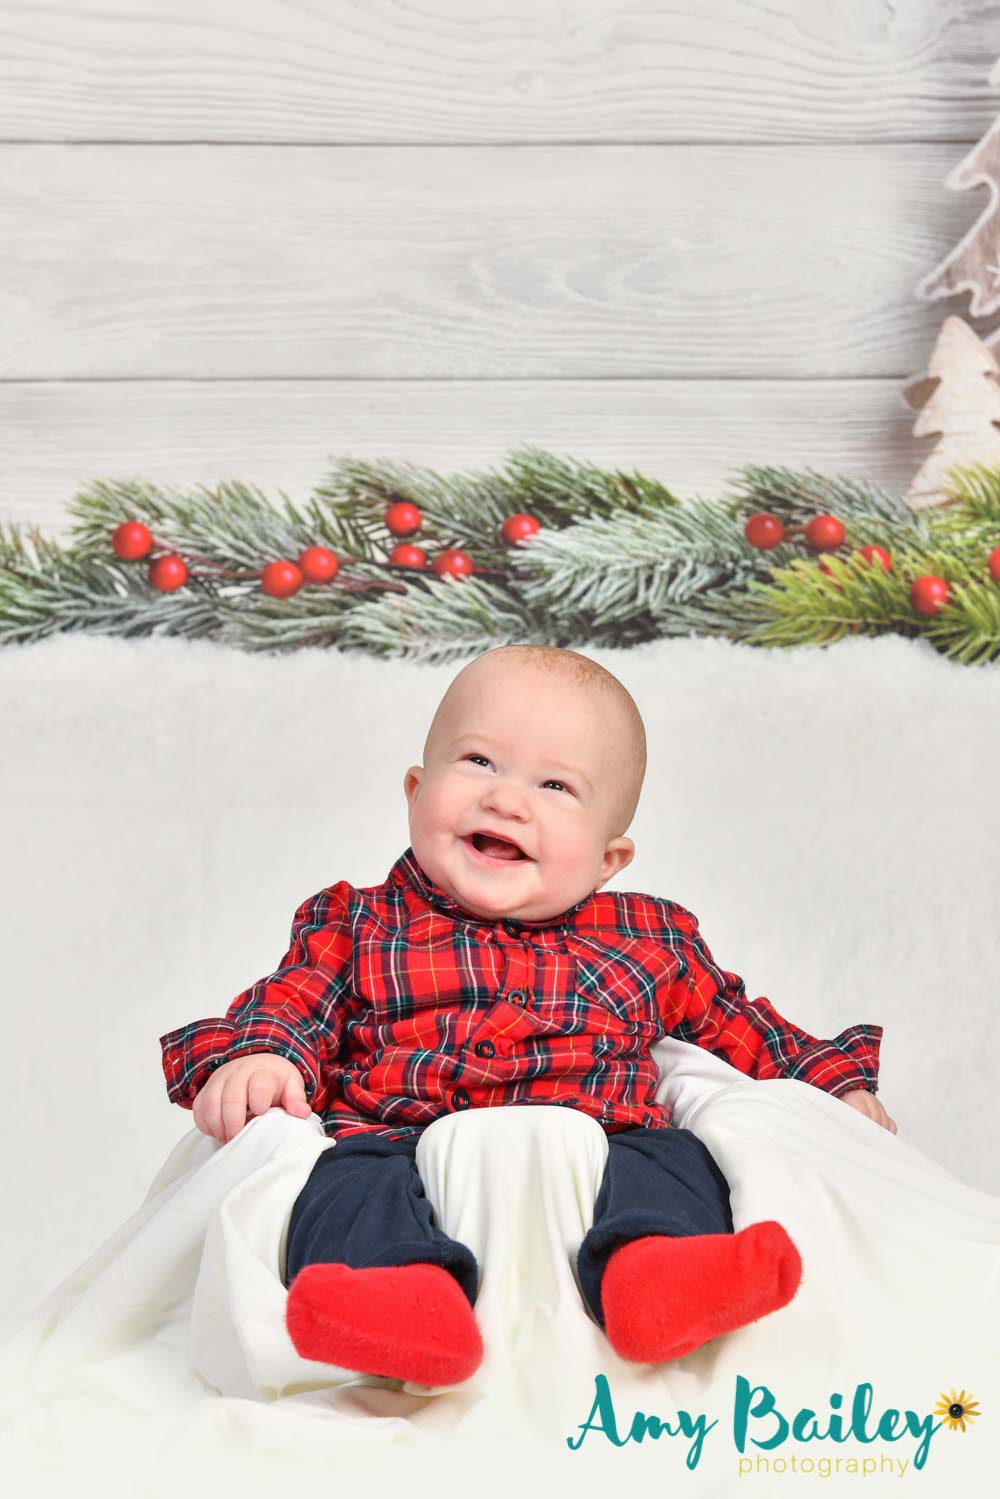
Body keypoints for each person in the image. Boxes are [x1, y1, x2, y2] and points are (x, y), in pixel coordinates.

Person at [159, 644, 894, 1387]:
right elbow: (294, 1000)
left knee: (674, 1160)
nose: (508, 800)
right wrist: (263, 1056)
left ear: (608, 859)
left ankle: (657, 1273)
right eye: (479, 760)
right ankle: (397, 1305)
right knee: (343, 1183)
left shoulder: (649, 937)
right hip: (395, 1137)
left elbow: (738, 1024)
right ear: (416, 790)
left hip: (605, 1139)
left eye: (555, 785)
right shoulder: (357, 921)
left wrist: (831, 1081)